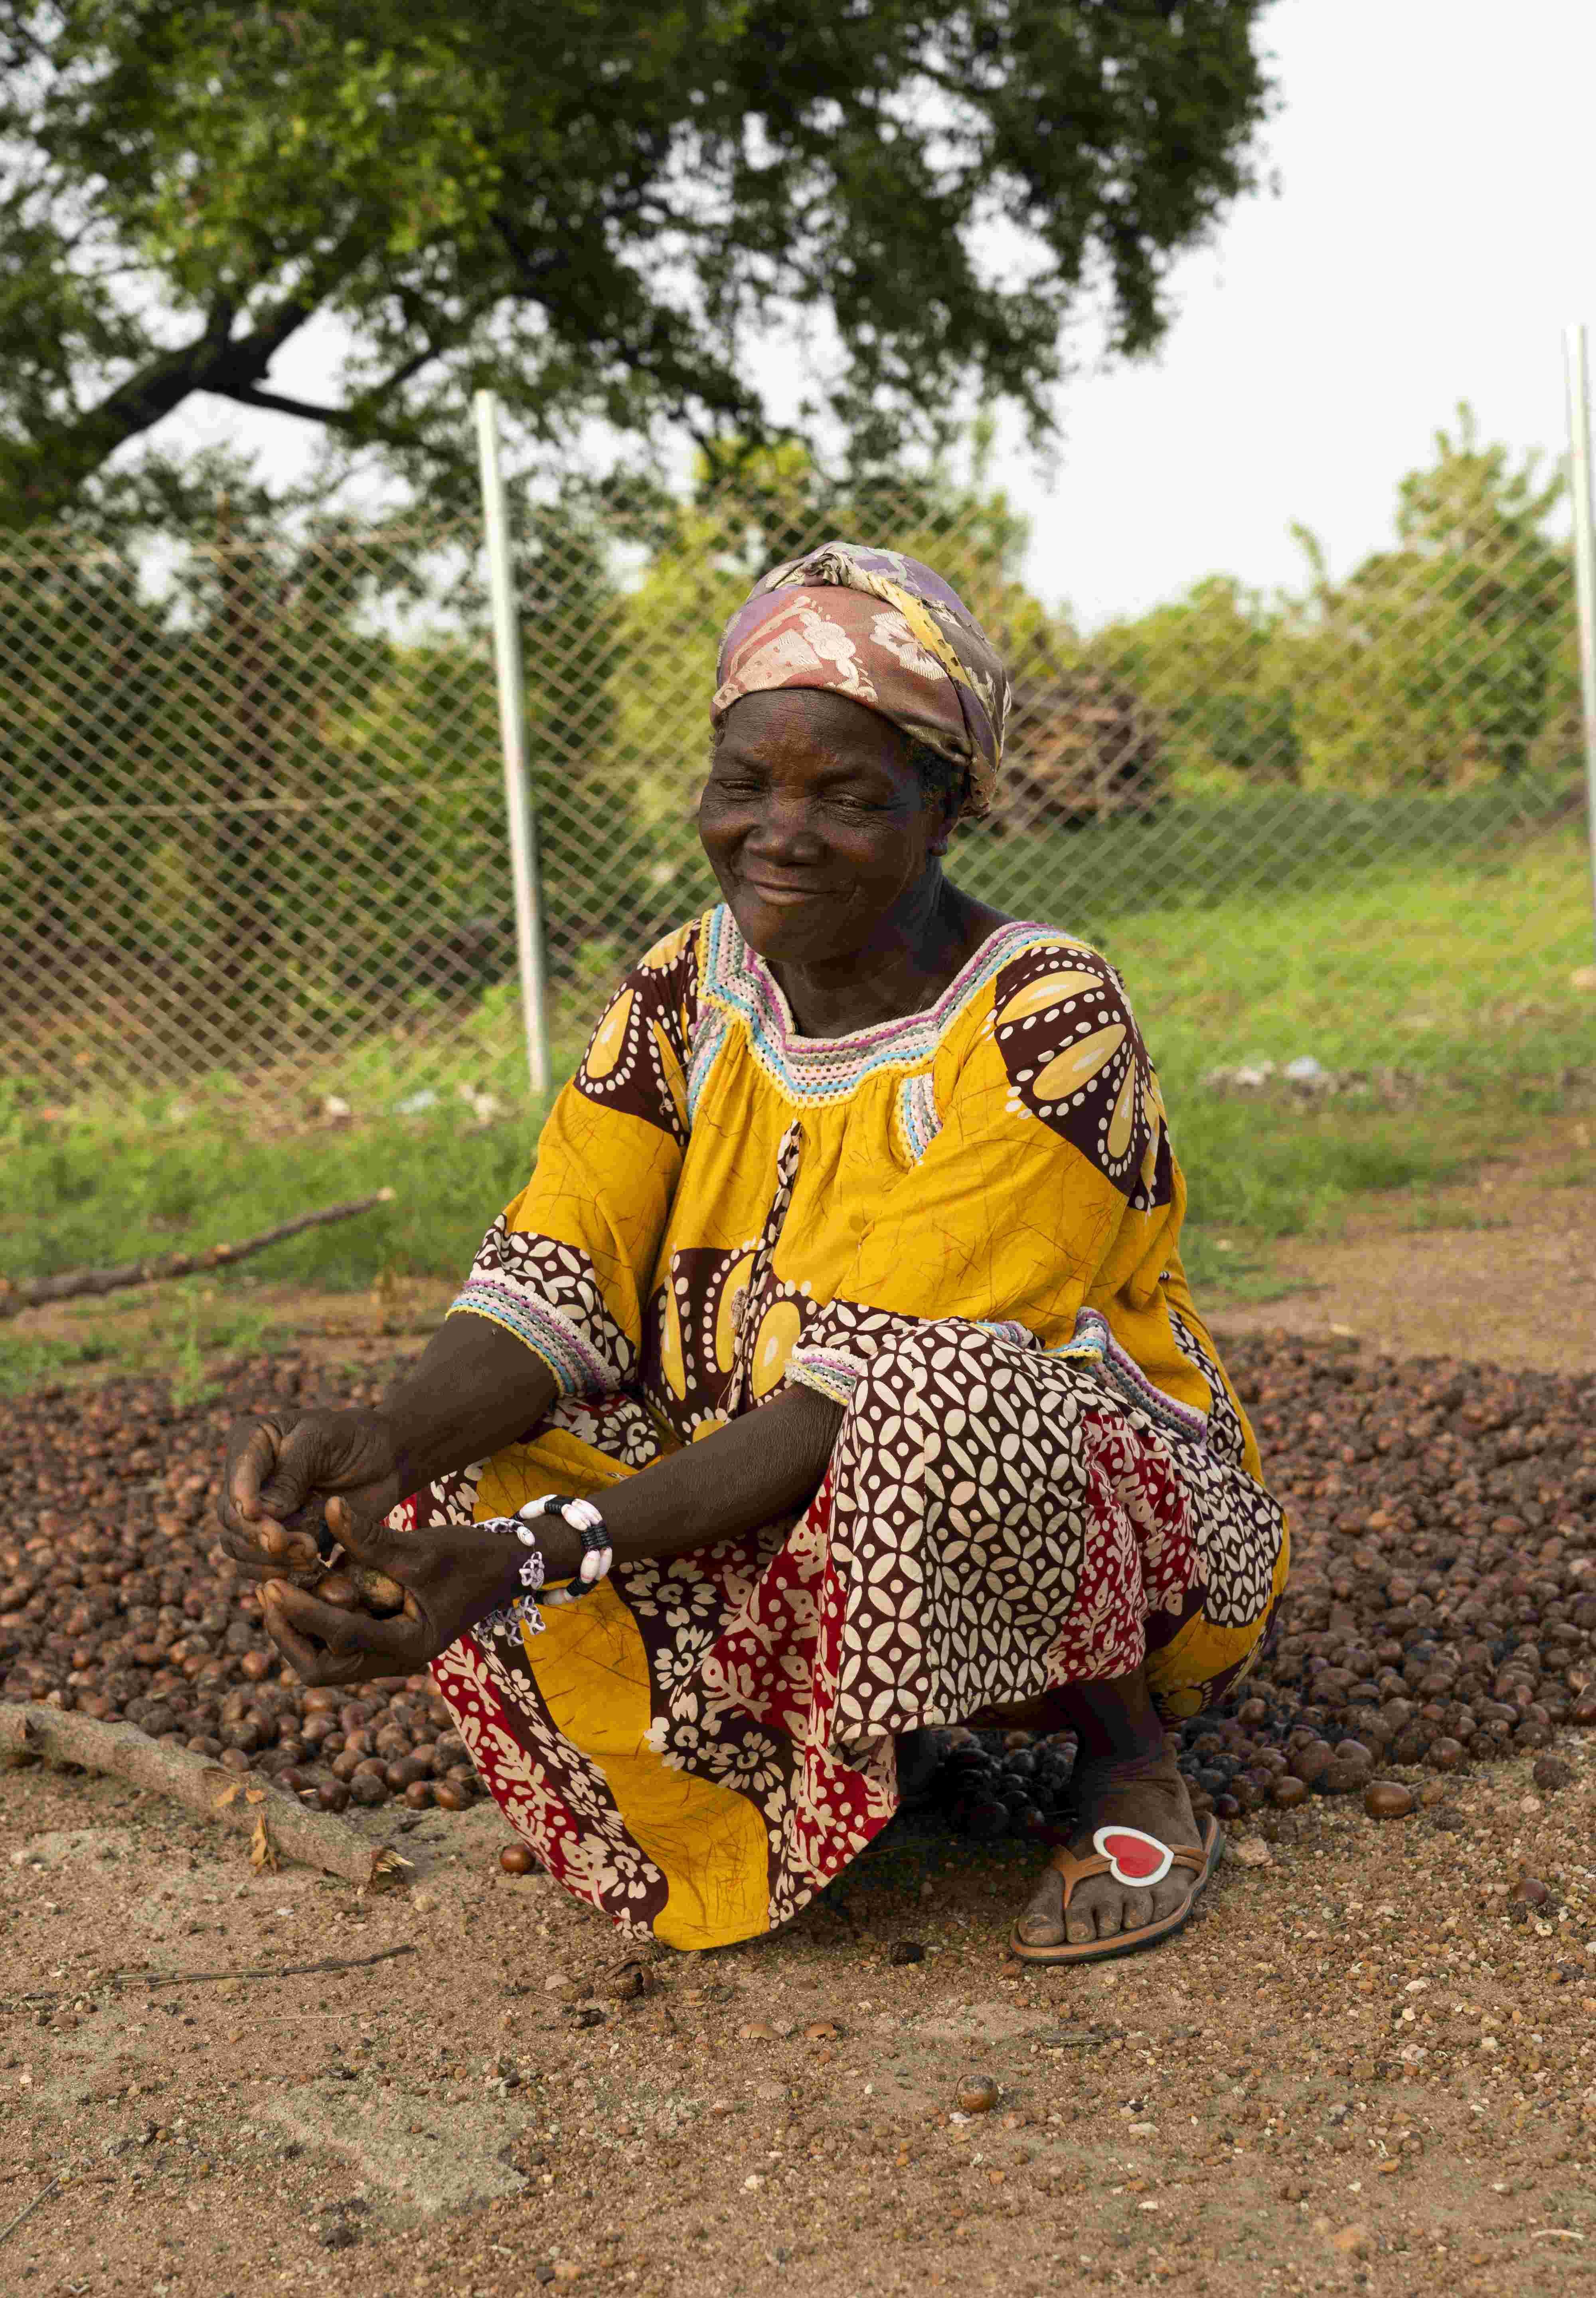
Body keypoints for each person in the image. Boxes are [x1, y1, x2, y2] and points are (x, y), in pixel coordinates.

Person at [218, 542, 1288, 1964]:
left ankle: (1126, 1762)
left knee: (943, 1392)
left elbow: (852, 1394)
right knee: (477, 1450)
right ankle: (859, 1766)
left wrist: (525, 1562)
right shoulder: (684, 989)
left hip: (1118, 1525)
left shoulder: (1045, 1021)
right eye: (746, 786)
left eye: (848, 796)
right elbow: (558, 1276)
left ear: (946, 805)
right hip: (785, 1490)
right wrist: (387, 1443)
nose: (780, 833)